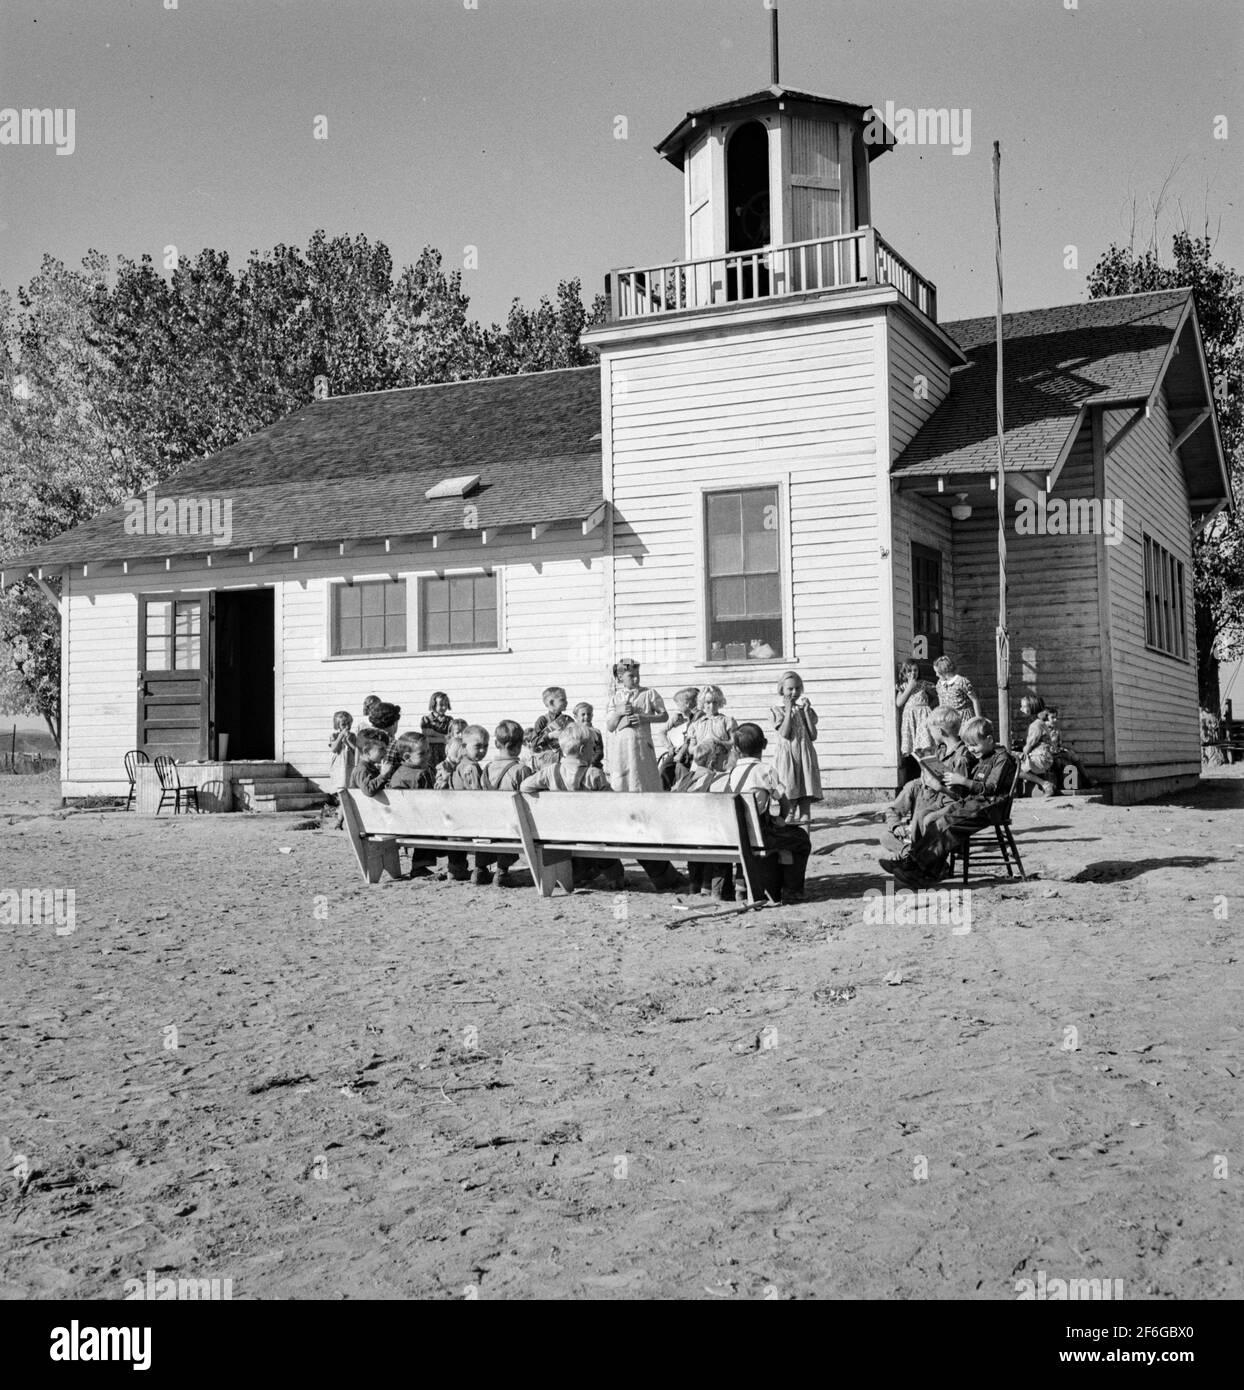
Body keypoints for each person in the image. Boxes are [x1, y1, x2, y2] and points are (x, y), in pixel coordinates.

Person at [880, 716, 1016, 887]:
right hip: (975, 802)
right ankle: (914, 863)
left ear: (989, 740)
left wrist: (963, 781)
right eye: (968, 745)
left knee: (946, 824)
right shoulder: (984, 755)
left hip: (991, 807)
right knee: (933, 820)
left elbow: (990, 788)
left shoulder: (1001, 758)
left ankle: (920, 869)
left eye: (974, 745)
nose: (971, 749)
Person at [604, 659, 684, 890]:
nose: (636, 680)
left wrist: (645, 717)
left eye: (638, 675)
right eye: (631, 677)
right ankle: (627, 819)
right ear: (620, 678)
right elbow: (609, 726)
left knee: (644, 780)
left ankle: (647, 819)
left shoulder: (648, 694)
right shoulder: (615, 698)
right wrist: (619, 713)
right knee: (624, 782)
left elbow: (663, 715)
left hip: (641, 745)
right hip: (622, 748)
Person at [712, 722, 811, 905]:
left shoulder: (731, 772)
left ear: (735, 748)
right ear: (765, 744)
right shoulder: (766, 770)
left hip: (730, 834)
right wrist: (781, 818)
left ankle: (737, 887)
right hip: (757, 835)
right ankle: (792, 891)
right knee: (801, 839)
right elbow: (784, 801)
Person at [520, 724, 624, 890]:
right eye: (592, 747)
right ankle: (615, 877)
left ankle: (581, 873)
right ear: (583, 749)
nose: (594, 751)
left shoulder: (550, 772)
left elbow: (524, 787)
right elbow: (611, 803)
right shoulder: (594, 774)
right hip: (593, 833)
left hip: (559, 833)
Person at [881, 707, 971, 853]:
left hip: (942, 807)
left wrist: (938, 787)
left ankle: (912, 857)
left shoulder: (961, 757)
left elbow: (960, 797)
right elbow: (894, 809)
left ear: (940, 731)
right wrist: (897, 826)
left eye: (931, 730)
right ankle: (910, 854)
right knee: (886, 837)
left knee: (924, 816)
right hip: (928, 800)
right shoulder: (940, 751)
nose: (930, 733)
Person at [676, 739, 733, 900]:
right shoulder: (717, 780)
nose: (727, 761)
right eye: (724, 757)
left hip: (684, 836)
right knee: (719, 837)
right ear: (712, 761)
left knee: (700, 838)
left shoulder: (684, 780)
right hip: (708, 836)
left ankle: (696, 884)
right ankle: (713, 889)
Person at [475, 720, 530, 887]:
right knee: (513, 824)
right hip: (511, 825)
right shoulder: (521, 770)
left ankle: (480, 869)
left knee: (488, 828)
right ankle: (502, 871)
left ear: (496, 743)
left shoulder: (487, 768)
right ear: (520, 745)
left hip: (488, 824)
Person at [350, 729, 402, 880]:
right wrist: (384, 775)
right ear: (366, 752)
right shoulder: (361, 769)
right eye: (380, 750)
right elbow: (368, 790)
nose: (385, 753)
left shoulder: (369, 768)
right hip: (369, 820)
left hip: (374, 817)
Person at [771, 671, 821, 825]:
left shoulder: (804, 710)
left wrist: (806, 713)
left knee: (805, 802)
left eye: (798, 689)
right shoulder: (777, 710)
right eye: (790, 689)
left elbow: (813, 735)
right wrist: (788, 710)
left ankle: (806, 840)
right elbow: (785, 733)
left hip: (805, 757)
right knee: (789, 801)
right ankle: (790, 840)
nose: (794, 692)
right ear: (782, 690)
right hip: (788, 759)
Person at [896, 661, 937, 789]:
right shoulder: (903, 687)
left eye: (915, 670)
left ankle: (929, 777)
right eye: (910, 671)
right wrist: (909, 686)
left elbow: (936, 696)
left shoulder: (923, 684)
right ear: (904, 673)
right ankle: (923, 779)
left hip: (923, 718)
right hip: (910, 719)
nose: (913, 673)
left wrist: (927, 708)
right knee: (915, 750)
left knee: (926, 748)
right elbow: (899, 702)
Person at [687, 685, 737, 775]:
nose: (712, 706)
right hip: (700, 766)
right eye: (708, 702)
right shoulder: (696, 725)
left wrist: (719, 742)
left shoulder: (727, 721)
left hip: (721, 763)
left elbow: (734, 742)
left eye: (715, 702)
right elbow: (690, 749)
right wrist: (703, 747)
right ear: (702, 703)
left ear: (720, 702)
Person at [659, 686, 700, 788]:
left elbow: (690, 739)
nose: (677, 706)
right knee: (664, 768)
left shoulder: (697, 717)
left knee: (682, 771)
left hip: (691, 752)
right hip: (677, 751)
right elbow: (661, 732)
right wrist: (669, 747)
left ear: (688, 703)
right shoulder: (677, 717)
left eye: (678, 703)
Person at [525, 687, 576, 768]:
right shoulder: (542, 720)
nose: (566, 702)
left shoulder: (568, 720)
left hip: (565, 763)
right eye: (563, 700)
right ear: (551, 703)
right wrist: (550, 735)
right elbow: (534, 743)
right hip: (547, 764)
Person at [1018, 697, 1057, 796]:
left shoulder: (1035, 725)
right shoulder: (1040, 723)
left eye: (1023, 706)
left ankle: (1045, 785)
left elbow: (1028, 747)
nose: (1021, 709)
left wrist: (1021, 752)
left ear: (1032, 708)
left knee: (1014, 768)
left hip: (1040, 758)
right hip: (1044, 756)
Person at [326, 710, 358, 829]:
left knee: (347, 795)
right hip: (339, 768)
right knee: (342, 795)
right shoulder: (334, 735)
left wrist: (349, 742)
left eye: (349, 724)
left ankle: (339, 822)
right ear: (337, 725)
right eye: (344, 724)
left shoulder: (353, 736)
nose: (347, 727)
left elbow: (356, 751)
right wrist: (340, 736)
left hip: (349, 767)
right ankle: (339, 821)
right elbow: (334, 748)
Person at [933, 655, 983, 720]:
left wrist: (978, 719)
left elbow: (974, 700)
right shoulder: (939, 684)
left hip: (964, 718)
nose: (936, 675)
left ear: (943, 671)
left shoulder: (962, 682)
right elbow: (941, 704)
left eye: (937, 672)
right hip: (949, 719)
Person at [421, 692, 453, 762]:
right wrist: (443, 739)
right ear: (433, 704)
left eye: (446, 704)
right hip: (430, 755)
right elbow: (426, 739)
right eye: (441, 705)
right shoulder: (426, 719)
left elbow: (450, 738)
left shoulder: (449, 720)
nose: (444, 707)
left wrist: (433, 734)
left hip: (445, 754)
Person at [573, 702, 605, 769]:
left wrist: (591, 763)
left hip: (593, 766)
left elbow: (599, 752)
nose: (586, 717)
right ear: (576, 717)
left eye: (589, 714)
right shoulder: (572, 732)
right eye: (583, 714)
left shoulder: (596, 732)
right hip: (576, 766)